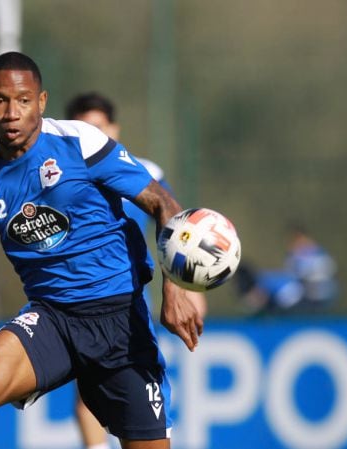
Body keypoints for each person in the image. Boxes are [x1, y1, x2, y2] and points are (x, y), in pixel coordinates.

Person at [0, 51, 203, 449]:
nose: (12, 113)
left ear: (41, 102)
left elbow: (164, 205)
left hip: (120, 320)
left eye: (23, 101)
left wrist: (175, 289)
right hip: (52, 320)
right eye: (0, 100)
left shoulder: (79, 142)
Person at [65, 92, 206, 449]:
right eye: (82, 128)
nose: (91, 134)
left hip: (132, 304)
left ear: (114, 128)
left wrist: (188, 289)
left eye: (97, 127)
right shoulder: (60, 177)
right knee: (88, 392)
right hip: (79, 301)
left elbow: (177, 227)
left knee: (141, 391)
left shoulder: (143, 173)